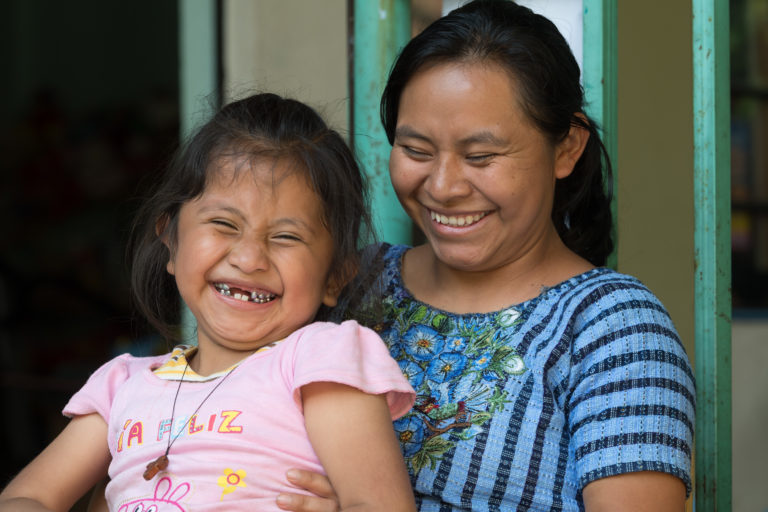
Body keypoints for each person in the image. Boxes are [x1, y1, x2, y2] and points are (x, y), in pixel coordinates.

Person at [275, 1, 694, 511]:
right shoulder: (348, 285)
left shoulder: (615, 329)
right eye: (417, 151)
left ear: (566, 148)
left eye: (481, 157)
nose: (444, 186)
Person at [0, 93, 417, 512]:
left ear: (335, 277)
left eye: (286, 236)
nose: (249, 258)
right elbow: (27, 495)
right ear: (171, 242)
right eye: (223, 224)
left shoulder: (319, 359)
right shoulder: (122, 385)